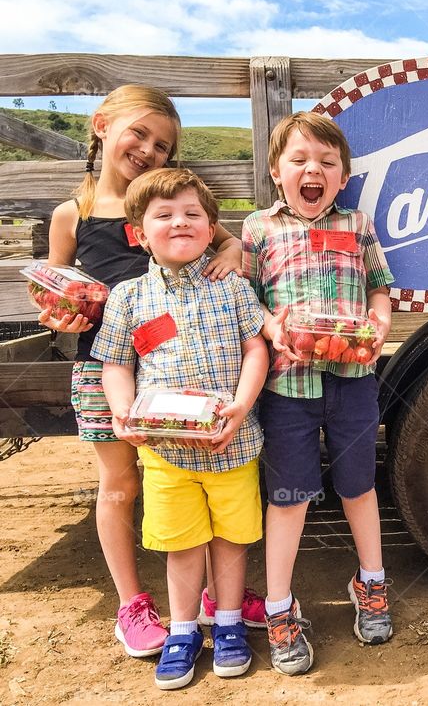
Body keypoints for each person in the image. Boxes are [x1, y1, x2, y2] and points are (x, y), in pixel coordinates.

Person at [39, 85, 265, 658]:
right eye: (138, 133)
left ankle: (220, 597)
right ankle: (132, 603)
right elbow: (55, 287)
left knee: (201, 475)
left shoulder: (173, 207)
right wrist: (60, 313)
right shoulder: (74, 214)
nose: (147, 149)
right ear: (101, 126)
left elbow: (226, 239)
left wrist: (233, 251)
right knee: (124, 484)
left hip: (187, 367)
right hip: (105, 363)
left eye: (162, 145)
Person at [95, 168, 268, 689]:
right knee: (183, 542)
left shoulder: (234, 288)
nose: (180, 223)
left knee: (232, 539)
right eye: (164, 215)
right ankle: (184, 629)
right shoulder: (128, 297)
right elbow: (115, 363)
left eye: (193, 214)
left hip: (231, 445)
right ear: (140, 233)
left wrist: (240, 406)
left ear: (211, 226)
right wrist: (122, 411)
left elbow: (255, 348)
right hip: (167, 453)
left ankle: (230, 623)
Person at [242, 112, 395, 675]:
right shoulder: (259, 229)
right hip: (288, 386)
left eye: (327, 163)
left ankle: (372, 581)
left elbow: (380, 288)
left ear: (344, 175)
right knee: (289, 496)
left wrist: (378, 327)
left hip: (352, 380)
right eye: (300, 161)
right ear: (277, 173)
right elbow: (249, 297)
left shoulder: (358, 224)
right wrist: (271, 326)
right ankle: (280, 606)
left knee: (359, 486)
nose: (314, 170)